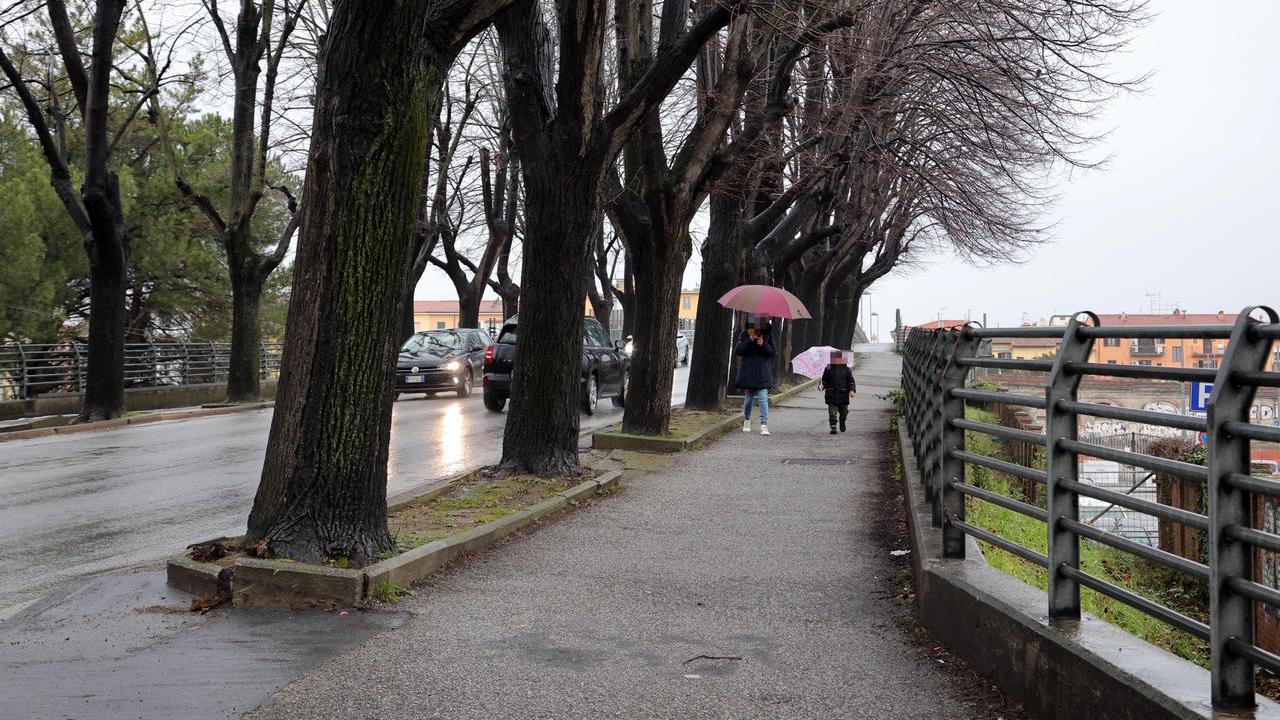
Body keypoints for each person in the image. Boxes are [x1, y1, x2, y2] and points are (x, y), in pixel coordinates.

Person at [735, 321, 775, 436]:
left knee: (763, 398)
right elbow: (739, 351)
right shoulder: (746, 332)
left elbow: (773, 352)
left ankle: (764, 425)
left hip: (762, 372)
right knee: (748, 400)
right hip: (749, 372)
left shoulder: (768, 333)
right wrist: (750, 339)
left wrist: (763, 344)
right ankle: (747, 421)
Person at [818, 351, 856, 434]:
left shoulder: (847, 370)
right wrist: (821, 386)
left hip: (843, 394)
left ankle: (842, 422)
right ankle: (833, 426)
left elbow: (851, 381)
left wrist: (852, 390)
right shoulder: (828, 368)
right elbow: (824, 380)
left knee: (844, 412)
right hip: (831, 394)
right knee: (832, 412)